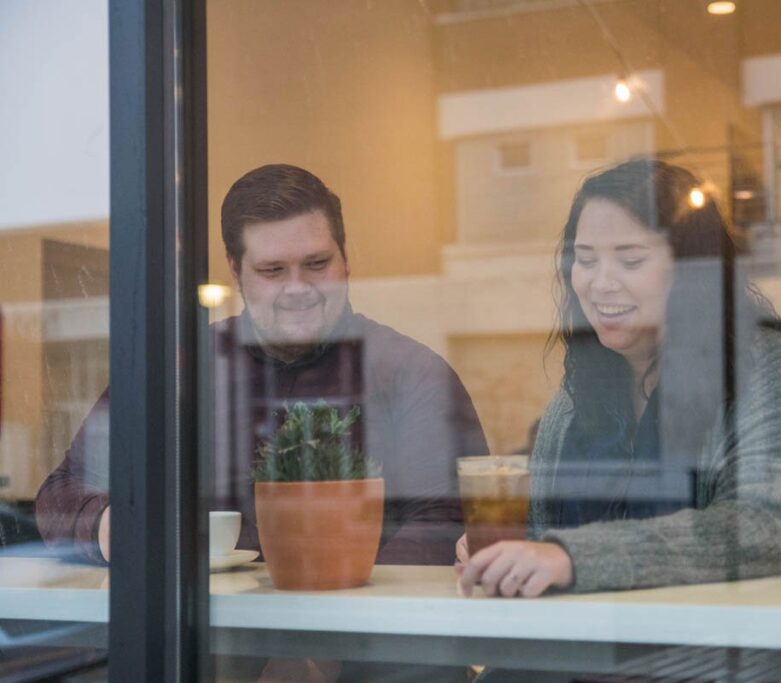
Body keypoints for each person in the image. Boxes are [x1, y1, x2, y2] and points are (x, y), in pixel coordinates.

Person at [37, 163, 488, 567]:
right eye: (273, 271)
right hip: (199, 649)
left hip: (366, 649)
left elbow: (443, 525)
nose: (298, 288)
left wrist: (319, 649)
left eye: (317, 264)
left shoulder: (412, 372)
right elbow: (61, 492)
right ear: (236, 272)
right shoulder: (178, 369)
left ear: (347, 260)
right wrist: (106, 525)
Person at [457, 159, 781, 598]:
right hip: (598, 648)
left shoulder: (767, 364)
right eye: (585, 260)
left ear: (692, 269)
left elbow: (764, 528)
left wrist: (571, 557)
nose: (600, 284)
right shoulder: (582, 385)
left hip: (734, 651)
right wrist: (506, 555)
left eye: (630, 260)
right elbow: (545, 530)